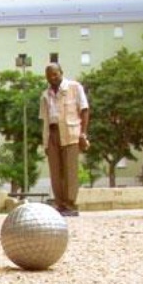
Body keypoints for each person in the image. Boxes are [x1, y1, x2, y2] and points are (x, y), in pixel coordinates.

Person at [39, 63, 90, 217]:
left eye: (55, 74)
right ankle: (60, 204)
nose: (52, 78)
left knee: (70, 170)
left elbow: (84, 110)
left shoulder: (74, 87)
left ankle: (70, 204)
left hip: (70, 132)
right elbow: (44, 119)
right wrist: (45, 142)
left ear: (61, 73)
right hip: (52, 133)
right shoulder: (45, 94)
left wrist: (83, 133)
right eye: (49, 75)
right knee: (55, 172)